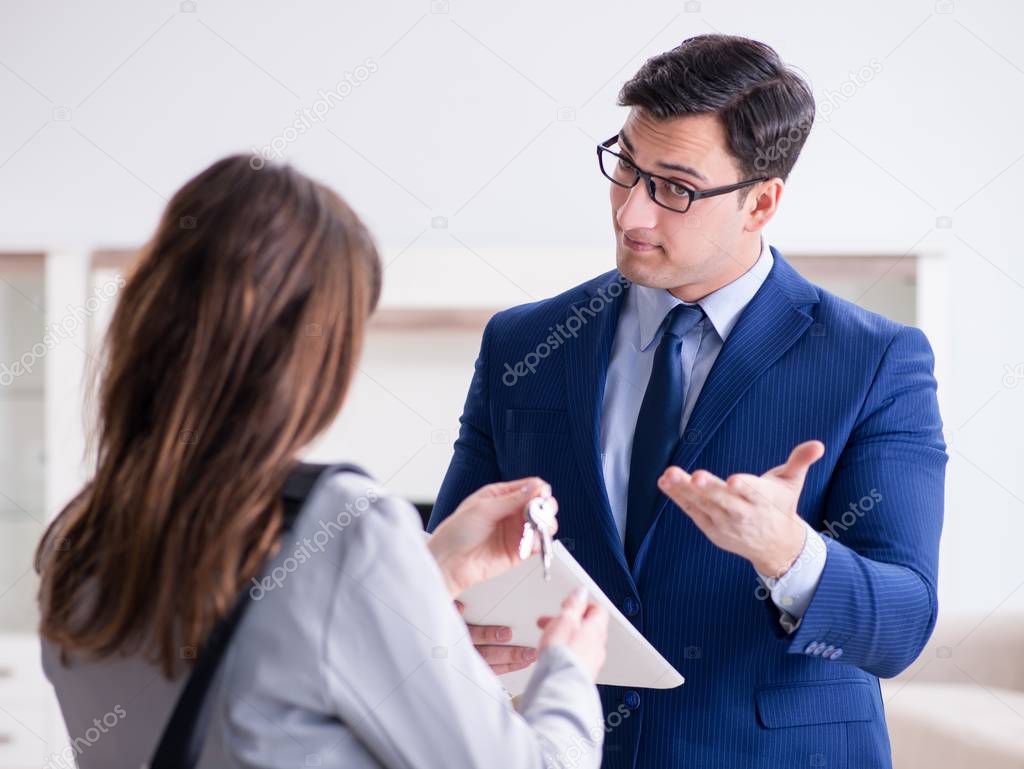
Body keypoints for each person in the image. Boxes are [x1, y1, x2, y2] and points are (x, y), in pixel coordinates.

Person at [428, 34, 946, 769]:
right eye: (626, 168)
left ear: (761, 201)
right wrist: (454, 626)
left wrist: (789, 553)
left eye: (674, 186)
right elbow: (449, 564)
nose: (630, 213)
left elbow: (902, 625)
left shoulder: (875, 359)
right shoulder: (523, 344)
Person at [35, 155, 609, 769]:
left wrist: (425, 575)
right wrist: (569, 674)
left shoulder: (76, 538)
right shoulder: (345, 527)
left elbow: (268, 658)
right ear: (311, 353)